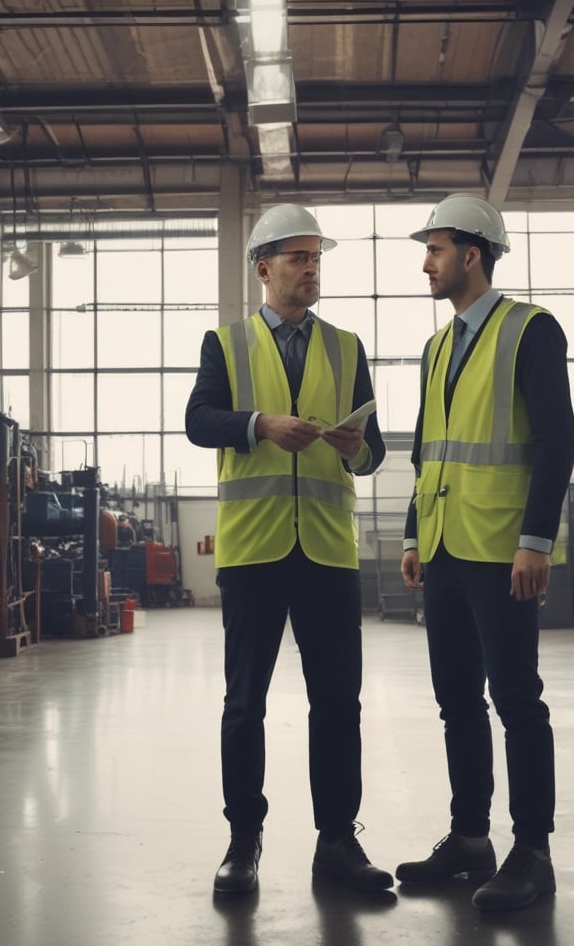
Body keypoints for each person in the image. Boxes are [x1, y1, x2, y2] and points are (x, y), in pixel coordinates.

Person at [185, 203, 392, 895]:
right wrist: (258, 424)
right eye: (299, 257)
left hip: (329, 554)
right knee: (245, 703)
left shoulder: (346, 346)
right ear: (263, 266)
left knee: (338, 703)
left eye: (317, 258)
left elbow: (376, 450)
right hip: (254, 553)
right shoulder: (227, 344)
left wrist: (358, 448)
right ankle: (243, 843)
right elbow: (198, 421)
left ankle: (337, 841)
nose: (311, 268)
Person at [397, 194, 574, 911]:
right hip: (443, 546)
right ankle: (471, 837)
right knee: (456, 703)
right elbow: (427, 448)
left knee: (516, 701)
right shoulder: (438, 346)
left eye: (435, 249)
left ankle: (532, 852)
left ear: (472, 254)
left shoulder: (530, 329)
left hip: (504, 549)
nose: (426, 263)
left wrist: (535, 539)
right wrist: (414, 532)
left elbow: (555, 439)